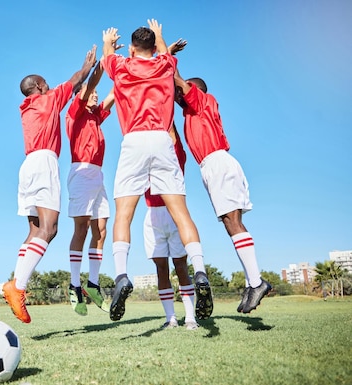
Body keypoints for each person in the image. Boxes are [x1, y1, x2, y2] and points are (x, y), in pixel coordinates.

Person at [101, 20, 213, 322]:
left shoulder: (121, 67)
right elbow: (165, 53)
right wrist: (162, 38)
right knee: (182, 213)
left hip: (134, 140)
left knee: (123, 212)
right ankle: (200, 270)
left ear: (134, 48)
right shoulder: (165, 64)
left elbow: (107, 56)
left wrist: (109, 40)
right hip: (163, 139)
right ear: (154, 47)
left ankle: (121, 275)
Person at [2, 45, 98, 324]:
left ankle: (15, 285)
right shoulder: (49, 99)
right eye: (47, 83)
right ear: (41, 86)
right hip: (44, 164)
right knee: (50, 229)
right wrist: (88, 64)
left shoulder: (26, 108)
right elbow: (77, 79)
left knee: (34, 230)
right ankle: (17, 287)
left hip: (27, 166)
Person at [174, 69, 271, 314]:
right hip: (213, 166)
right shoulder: (191, 110)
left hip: (217, 163)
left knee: (233, 221)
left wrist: (165, 51)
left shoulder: (201, 100)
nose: (176, 94)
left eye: (180, 91)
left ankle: (257, 282)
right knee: (231, 223)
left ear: (191, 89)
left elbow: (176, 78)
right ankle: (252, 282)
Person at [64, 60, 115, 316]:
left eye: (95, 93)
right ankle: (74, 285)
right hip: (81, 172)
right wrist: (105, 60)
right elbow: (92, 84)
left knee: (102, 229)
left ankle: (93, 284)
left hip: (98, 175)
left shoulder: (96, 116)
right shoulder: (75, 113)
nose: (95, 94)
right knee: (81, 229)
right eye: (90, 92)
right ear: (81, 96)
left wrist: (131, 66)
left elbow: (113, 94)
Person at [144, 124, 198, 330]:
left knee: (181, 266)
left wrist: (164, 114)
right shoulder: (146, 159)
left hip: (174, 213)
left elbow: (172, 135)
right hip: (152, 215)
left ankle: (191, 318)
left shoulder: (176, 155)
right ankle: (171, 319)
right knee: (161, 269)